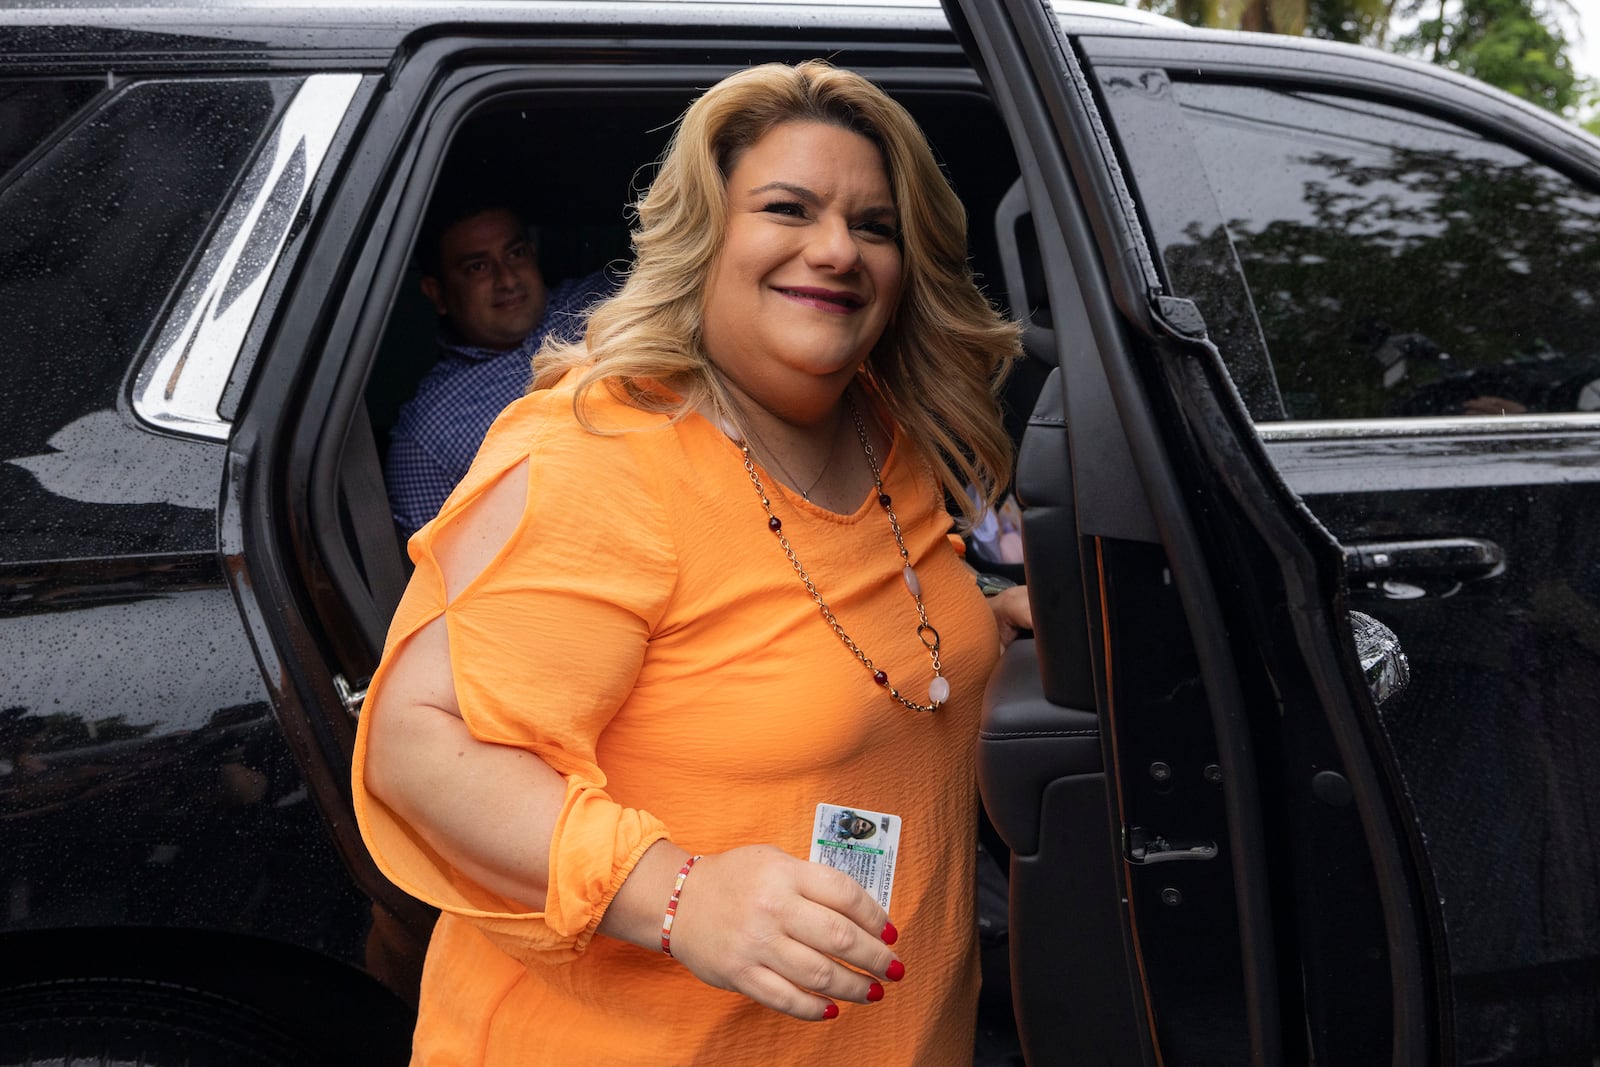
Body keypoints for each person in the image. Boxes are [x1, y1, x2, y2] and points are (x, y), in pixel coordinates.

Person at [354, 60, 1032, 1066]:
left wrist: (1000, 621)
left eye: (875, 225)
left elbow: (855, 651)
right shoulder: (600, 450)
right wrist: (675, 892)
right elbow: (416, 743)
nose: (838, 248)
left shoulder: (887, 434)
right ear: (704, 235)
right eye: (787, 208)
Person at [384, 199, 613, 536]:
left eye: (515, 254)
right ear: (437, 293)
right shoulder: (427, 438)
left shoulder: (610, 301)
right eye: (478, 267)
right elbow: (445, 577)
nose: (507, 279)